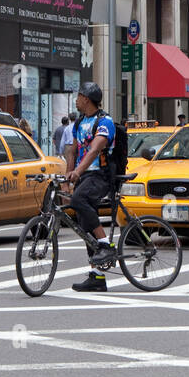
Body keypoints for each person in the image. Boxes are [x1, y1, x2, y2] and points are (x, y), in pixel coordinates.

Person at [65, 82, 118, 293]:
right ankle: (97, 276)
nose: (76, 100)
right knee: (84, 225)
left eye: (78, 96)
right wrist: (68, 176)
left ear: (86, 98)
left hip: (101, 175)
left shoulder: (105, 122)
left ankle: (106, 244)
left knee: (78, 201)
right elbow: (72, 150)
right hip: (85, 176)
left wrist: (78, 172)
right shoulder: (79, 122)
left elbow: (95, 149)